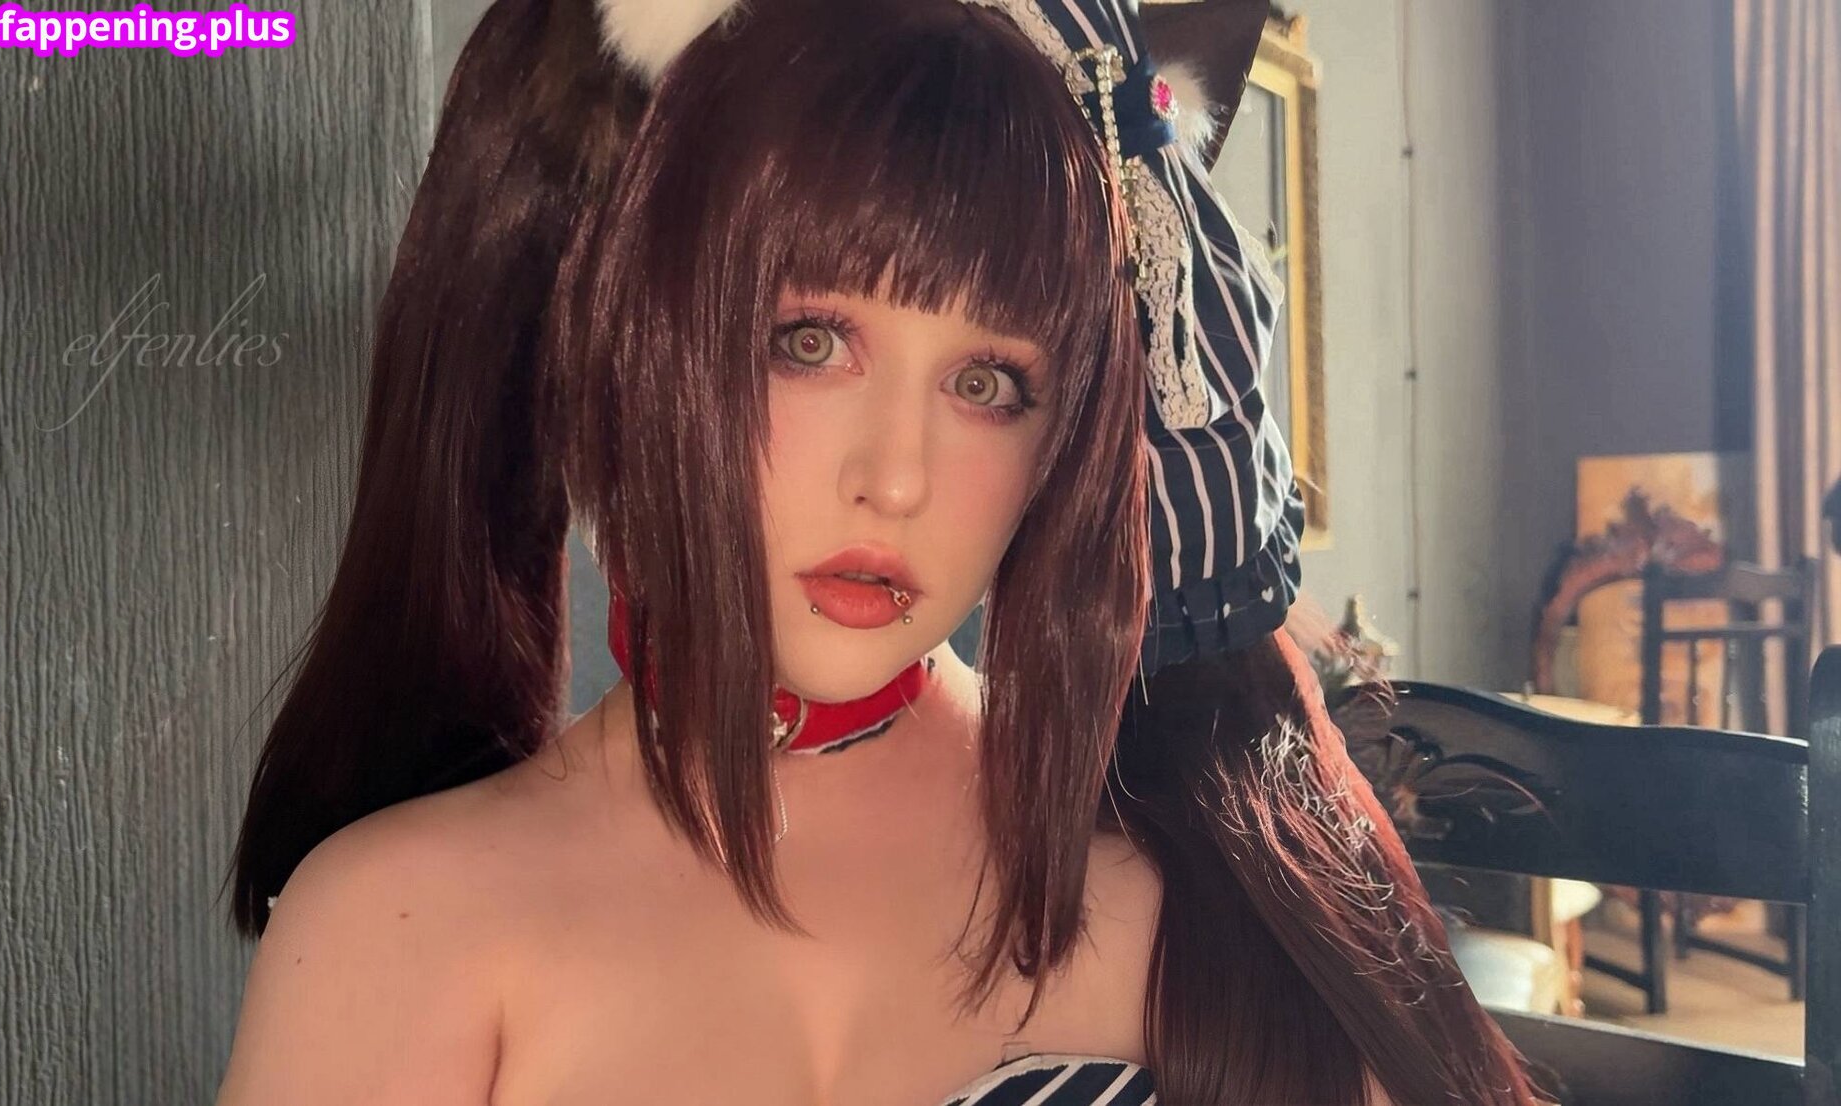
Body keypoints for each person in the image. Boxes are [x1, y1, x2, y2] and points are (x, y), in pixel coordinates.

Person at [215, 0, 1550, 1102]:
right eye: (809, 342)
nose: (896, 477)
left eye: (988, 382)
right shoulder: (401, 922)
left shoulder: (1193, 886)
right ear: (621, 346)